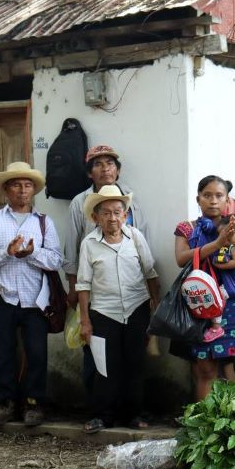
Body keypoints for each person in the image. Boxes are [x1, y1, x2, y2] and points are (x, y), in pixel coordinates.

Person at [0, 162, 63, 427]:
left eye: (27, 185)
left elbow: (55, 260)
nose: (22, 190)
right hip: (3, 296)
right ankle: (7, 403)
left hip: (35, 299)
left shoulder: (44, 223)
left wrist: (31, 253)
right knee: (2, 352)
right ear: (6, 190)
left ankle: (34, 404)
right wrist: (6, 253)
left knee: (36, 352)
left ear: (33, 190)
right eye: (16, 185)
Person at [173, 175, 235, 400]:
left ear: (228, 200)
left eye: (219, 196)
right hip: (204, 306)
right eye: (207, 195)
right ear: (198, 199)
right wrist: (216, 244)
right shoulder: (187, 228)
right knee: (205, 371)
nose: (213, 201)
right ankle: (204, 427)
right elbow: (180, 258)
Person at [63, 145, 149, 395]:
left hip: (132, 296)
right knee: (95, 351)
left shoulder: (132, 200)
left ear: (118, 170)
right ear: (90, 173)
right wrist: (73, 289)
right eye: (98, 164)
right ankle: (98, 408)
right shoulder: (79, 202)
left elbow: (143, 243)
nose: (105, 169)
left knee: (130, 354)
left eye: (110, 163)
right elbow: (72, 248)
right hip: (93, 292)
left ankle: (129, 409)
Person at [76, 185, 160, 433]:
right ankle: (103, 415)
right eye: (106, 213)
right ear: (96, 217)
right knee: (105, 366)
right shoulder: (89, 243)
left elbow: (150, 273)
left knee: (134, 363)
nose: (112, 217)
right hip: (103, 311)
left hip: (137, 309)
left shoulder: (135, 237)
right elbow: (83, 284)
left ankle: (133, 414)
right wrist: (85, 320)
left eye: (117, 212)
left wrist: (155, 308)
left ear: (125, 215)